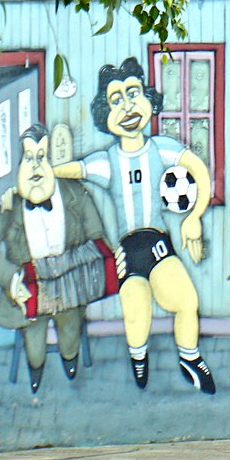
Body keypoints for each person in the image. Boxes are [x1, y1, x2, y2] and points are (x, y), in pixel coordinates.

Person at [57, 58, 214, 393]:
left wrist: (194, 217)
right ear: (105, 114)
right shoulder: (107, 161)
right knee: (136, 310)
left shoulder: (161, 149)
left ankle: (190, 357)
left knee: (186, 299)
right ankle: (138, 357)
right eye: (116, 100)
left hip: (157, 244)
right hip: (128, 250)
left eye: (133, 94)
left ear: (148, 100)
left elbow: (199, 170)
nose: (127, 106)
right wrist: (42, 174)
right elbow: (75, 170)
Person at [0, 126, 116, 395]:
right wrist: (12, 281)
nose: (35, 165)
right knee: (34, 344)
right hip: (30, 289)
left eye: (41, 157)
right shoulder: (11, 206)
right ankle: (36, 370)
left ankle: (70, 361)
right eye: (28, 158)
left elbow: (97, 234)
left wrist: (90, 265)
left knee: (70, 333)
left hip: (70, 283)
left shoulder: (76, 195)